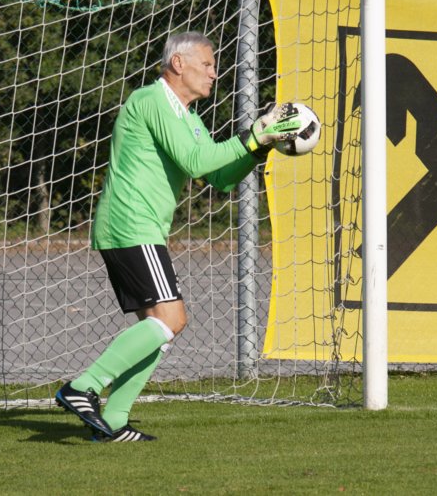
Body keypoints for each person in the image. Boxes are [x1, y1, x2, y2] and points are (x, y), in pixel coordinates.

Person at [55, 31, 306, 442]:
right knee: (172, 319)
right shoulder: (152, 100)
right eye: (207, 64)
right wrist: (253, 135)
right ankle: (83, 387)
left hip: (139, 229)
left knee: (160, 329)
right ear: (178, 64)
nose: (214, 73)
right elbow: (195, 161)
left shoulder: (187, 117)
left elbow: (220, 177)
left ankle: (113, 421)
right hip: (131, 225)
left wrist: (258, 149)